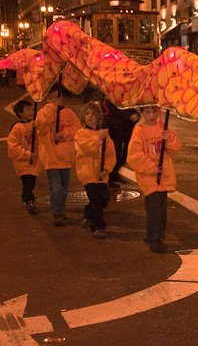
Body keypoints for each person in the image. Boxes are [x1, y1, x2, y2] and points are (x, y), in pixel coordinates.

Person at [127, 106, 182, 253]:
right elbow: (133, 156)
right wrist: (152, 167)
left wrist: (168, 139)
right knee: (154, 209)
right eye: (147, 112)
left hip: (163, 176)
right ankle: (156, 239)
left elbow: (175, 148)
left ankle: (152, 234)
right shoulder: (139, 130)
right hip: (149, 177)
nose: (151, 115)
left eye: (154, 111)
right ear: (142, 113)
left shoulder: (163, 127)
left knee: (161, 209)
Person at [36, 84, 82, 226]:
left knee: (63, 188)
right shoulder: (44, 113)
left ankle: (61, 210)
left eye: (60, 95)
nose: (59, 98)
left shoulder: (68, 112)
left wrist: (63, 134)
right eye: (56, 95)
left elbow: (77, 128)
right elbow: (41, 127)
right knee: (55, 187)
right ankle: (58, 213)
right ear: (49, 97)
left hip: (66, 156)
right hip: (51, 156)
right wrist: (52, 110)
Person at [74, 102, 117, 239]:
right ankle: (98, 227)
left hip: (101, 174)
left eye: (93, 114)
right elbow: (86, 149)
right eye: (87, 114)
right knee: (96, 200)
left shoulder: (104, 134)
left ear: (98, 117)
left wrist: (107, 169)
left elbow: (111, 154)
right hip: (87, 173)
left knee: (104, 198)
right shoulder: (80, 133)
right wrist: (98, 138)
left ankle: (88, 212)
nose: (90, 117)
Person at [7, 100, 42, 214]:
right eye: (28, 109)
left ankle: (28, 197)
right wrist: (27, 154)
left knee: (32, 182)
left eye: (32, 109)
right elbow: (12, 148)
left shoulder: (36, 125)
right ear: (20, 113)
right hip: (22, 162)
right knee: (28, 181)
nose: (31, 111)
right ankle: (28, 200)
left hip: (35, 161)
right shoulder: (17, 128)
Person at [103, 100, 140, 185]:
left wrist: (136, 116)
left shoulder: (128, 94)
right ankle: (110, 177)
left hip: (125, 129)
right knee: (115, 153)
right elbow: (113, 108)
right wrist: (129, 115)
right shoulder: (111, 94)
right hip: (114, 128)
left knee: (125, 154)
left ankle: (114, 173)